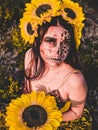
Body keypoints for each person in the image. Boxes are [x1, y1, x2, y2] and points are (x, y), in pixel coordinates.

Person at [19, 0, 92, 129]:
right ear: (38, 41)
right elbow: (26, 89)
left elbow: (76, 112)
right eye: (50, 40)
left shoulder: (74, 79)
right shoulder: (30, 57)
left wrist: (46, 121)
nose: (58, 51)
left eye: (65, 42)